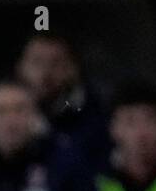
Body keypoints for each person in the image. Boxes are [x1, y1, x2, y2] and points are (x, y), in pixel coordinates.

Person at [16, 34, 109, 170]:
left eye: (55, 63)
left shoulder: (97, 115)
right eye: (36, 62)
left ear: (73, 69)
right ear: (20, 67)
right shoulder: (1, 113)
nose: (45, 73)